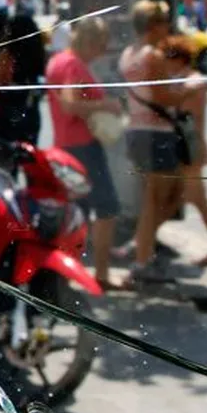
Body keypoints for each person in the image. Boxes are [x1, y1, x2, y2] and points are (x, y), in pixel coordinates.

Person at [45, 18, 126, 289]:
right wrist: (107, 106)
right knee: (107, 208)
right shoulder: (71, 64)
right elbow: (69, 104)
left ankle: (69, 275)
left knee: (76, 213)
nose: (102, 52)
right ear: (90, 41)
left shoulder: (59, 61)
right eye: (101, 46)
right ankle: (100, 275)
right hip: (83, 147)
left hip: (67, 144)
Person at [119, 0, 194, 283]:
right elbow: (163, 97)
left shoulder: (129, 53)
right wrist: (189, 89)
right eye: (164, 21)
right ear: (153, 25)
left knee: (166, 195)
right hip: (156, 133)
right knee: (157, 199)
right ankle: (141, 261)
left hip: (137, 131)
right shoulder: (153, 56)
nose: (168, 27)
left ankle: (140, 246)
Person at [159, 38, 207, 267]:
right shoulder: (185, 81)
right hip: (187, 148)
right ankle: (144, 240)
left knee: (197, 200)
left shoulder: (193, 81)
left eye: (167, 59)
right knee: (177, 199)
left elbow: (188, 94)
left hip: (192, 149)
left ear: (178, 59)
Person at [0, 13, 46, 147]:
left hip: (8, 117)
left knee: (9, 158)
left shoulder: (8, 56)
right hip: (32, 115)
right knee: (28, 159)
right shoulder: (38, 55)